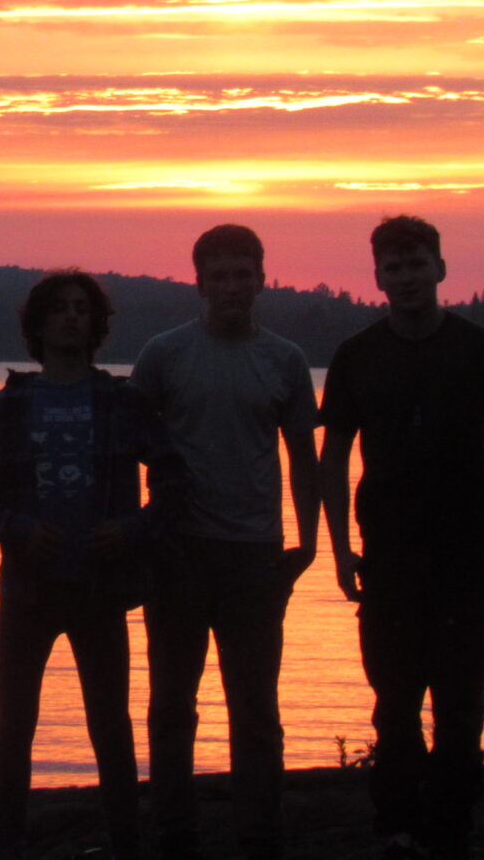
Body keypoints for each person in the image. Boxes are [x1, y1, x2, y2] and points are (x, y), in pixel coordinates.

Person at [0, 269, 189, 860]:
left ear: (96, 325)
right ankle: (10, 842)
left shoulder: (120, 402)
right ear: (38, 324)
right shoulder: (10, 406)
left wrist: (133, 530)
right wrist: (19, 529)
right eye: (60, 309)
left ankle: (125, 843)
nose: (72, 317)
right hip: (28, 590)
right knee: (15, 726)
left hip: (100, 590)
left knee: (111, 725)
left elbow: (176, 481)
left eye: (82, 308)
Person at [317, 216, 484, 860]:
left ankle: (451, 835)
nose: (406, 277)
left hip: (468, 556)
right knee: (395, 705)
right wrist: (338, 550)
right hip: (387, 556)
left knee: (463, 706)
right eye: (393, 267)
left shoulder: (480, 348)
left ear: (440, 268)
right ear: (377, 277)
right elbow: (332, 459)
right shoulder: (358, 355)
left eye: (417, 264)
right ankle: (398, 830)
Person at [130, 224, 319, 860]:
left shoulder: (285, 360)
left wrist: (309, 542)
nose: (233, 286)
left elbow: (303, 457)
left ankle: (260, 834)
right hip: (179, 551)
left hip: (255, 557)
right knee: (172, 703)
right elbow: (127, 447)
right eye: (220, 275)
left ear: (262, 280)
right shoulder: (164, 354)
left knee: (255, 706)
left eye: (244, 274)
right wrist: (141, 534)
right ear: (200, 282)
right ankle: (173, 833)